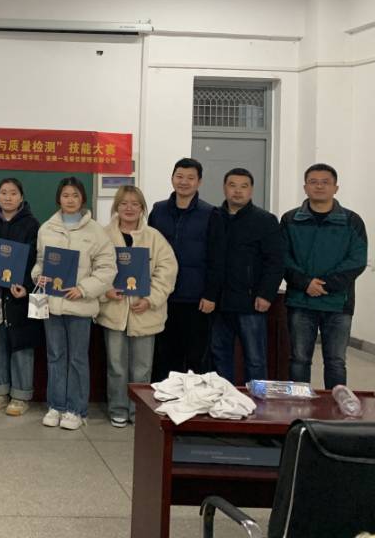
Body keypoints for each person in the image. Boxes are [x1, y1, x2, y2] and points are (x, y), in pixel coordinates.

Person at [32, 176, 116, 430]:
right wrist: (38, 276)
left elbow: (107, 269)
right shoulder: (47, 228)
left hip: (80, 305)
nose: (70, 200)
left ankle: (76, 410)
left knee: (78, 359)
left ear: (83, 199)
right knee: (55, 356)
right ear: (59, 198)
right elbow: (40, 262)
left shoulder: (96, 232)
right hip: (52, 305)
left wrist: (83, 289)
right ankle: (56, 406)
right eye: (66, 195)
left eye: (75, 195)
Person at [282, 163, 368, 389]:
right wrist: (305, 283)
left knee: (336, 362)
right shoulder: (290, 219)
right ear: (305, 187)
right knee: (299, 359)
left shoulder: (351, 220)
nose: (319, 186)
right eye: (313, 182)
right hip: (300, 301)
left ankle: (335, 406)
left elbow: (357, 260)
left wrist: (325, 285)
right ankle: (298, 403)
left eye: (325, 182)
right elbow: (282, 257)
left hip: (338, 303)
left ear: (335, 188)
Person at [98, 186, 177, 427]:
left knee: (142, 369)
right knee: (116, 366)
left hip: (145, 313)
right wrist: (105, 291)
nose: (129, 208)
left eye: (135, 204)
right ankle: (118, 409)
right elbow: (93, 269)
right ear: (116, 207)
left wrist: (150, 298)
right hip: (114, 312)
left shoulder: (154, 237)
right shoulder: (103, 236)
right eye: (123, 203)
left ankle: (138, 411)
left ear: (142, 208)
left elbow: (167, 271)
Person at [205, 168, 284, 384]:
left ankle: (258, 401)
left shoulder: (265, 220)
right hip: (220, 303)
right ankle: (225, 397)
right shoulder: (214, 217)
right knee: (219, 354)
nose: (237, 191)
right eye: (232, 185)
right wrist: (209, 294)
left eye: (243, 186)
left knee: (255, 358)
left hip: (251, 302)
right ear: (224, 188)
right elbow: (210, 259)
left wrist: (266, 294)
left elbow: (275, 261)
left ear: (251, 190)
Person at [148, 157, 215, 380]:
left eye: (190, 178)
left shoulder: (210, 213)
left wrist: (210, 294)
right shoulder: (158, 210)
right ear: (172, 179)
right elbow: (147, 249)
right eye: (179, 176)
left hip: (196, 298)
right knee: (165, 355)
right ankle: (166, 398)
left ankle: (195, 398)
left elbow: (216, 258)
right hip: (163, 296)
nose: (184, 182)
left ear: (199, 182)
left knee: (196, 356)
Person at [0, 177, 41, 417]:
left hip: (20, 295)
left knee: (21, 343)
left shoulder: (32, 224)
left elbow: (37, 259)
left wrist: (26, 285)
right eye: (4, 192)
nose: (8, 197)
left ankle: (20, 395)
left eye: (13, 193)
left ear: (21, 197)